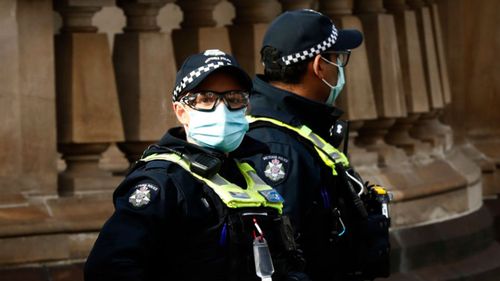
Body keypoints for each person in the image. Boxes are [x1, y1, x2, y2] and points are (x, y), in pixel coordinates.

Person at [84, 49, 310, 281]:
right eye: (206, 99)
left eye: (234, 99)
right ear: (181, 112)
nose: (222, 110)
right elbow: (108, 267)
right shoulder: (163, 181)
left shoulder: (251, 173)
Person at [240, 10, 391, 281]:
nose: (339, 69)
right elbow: (277, 257)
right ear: (319, 66)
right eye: (337, 59)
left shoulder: (297, 127)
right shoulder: (277, 147)